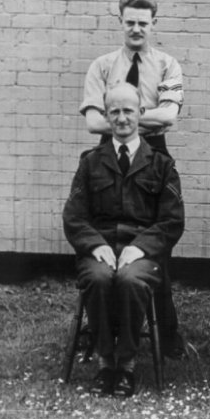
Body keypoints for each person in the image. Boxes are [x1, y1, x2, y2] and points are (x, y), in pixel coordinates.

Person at [79, 0, 185, 357]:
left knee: (155, 244)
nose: (136, 28)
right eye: (130, 22)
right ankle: (98, 331)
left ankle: (165, 333)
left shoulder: (168, 65)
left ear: (154, 23)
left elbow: (170, 116)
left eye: (143, 22)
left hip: (154, 154)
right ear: (120, 22)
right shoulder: (102, 66)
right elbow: (94, 122)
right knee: (106, 230)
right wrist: (136, 121)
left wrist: (123, 118)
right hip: (109, 154)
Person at [63, 84, 185, 397]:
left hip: (142, 252)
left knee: (131, 280)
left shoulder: (161, 164)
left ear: (141, 113)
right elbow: (74, 216)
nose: (121, 118)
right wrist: (95, 245)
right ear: (105, 116)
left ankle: (126, 364)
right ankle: (106, 363)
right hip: (99, 249)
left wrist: (140, 247)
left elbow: (172, 221)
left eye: (128, 111)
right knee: (99, 278)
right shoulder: (90, 162)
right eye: (114, 112)